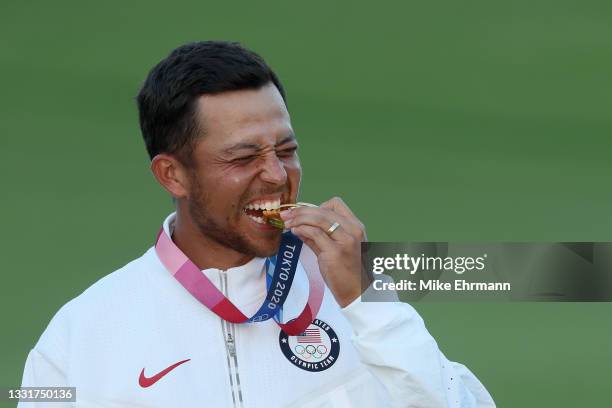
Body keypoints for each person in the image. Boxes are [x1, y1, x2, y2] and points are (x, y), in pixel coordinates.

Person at [19, 41, 495, 408]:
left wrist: (370, 302)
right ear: (173, 174)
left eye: (285, 151)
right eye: (244, 156)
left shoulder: (357, 292)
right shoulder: (82, 334)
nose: (276, 175)